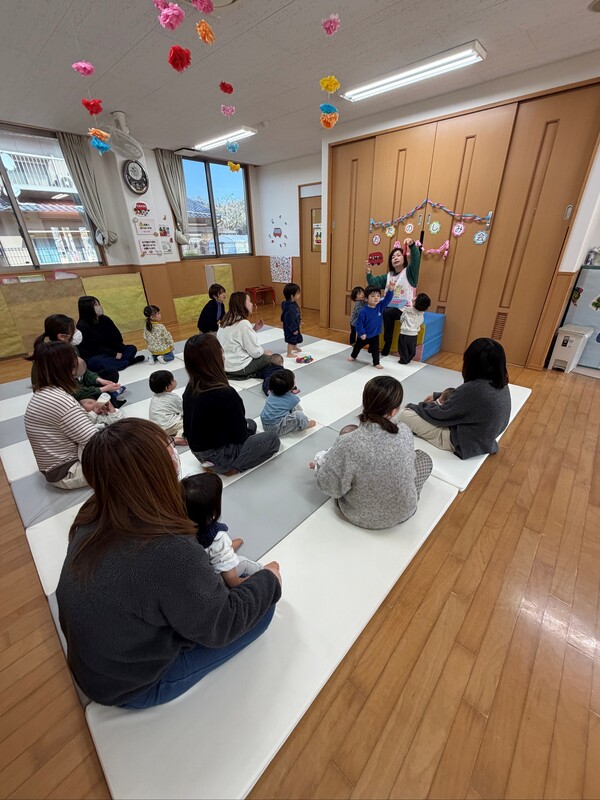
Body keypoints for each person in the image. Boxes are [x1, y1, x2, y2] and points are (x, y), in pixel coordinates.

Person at [56, 418, 282, 709]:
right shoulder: (171, 550)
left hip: (97, 663)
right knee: (263, 609)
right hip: (131, 685)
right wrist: (270, 579)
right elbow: (222, 624)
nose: (174, 451)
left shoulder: (94, 510)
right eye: (166, 446)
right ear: (156, 468)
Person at [316, 376, 432, 529]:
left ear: (365, 403)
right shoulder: (404, 431)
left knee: (338, 471)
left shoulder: (348, 442)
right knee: (424, 458)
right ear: (394, 410)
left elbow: (331, 488)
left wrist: (323, 466)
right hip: (403, 512)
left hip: (358, 515)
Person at [398, 338, 511, 459]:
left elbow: (440, 415)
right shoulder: (501, 383)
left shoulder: (474, 389)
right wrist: (438, 396)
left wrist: (417, 407)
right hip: (484, 438)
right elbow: (464, 399)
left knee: (404, 414)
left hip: (462, 441)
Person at [183, 333, 280, 475]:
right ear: (215, 358)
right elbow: (240, 435)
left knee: (251, 424)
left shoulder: (191, 387)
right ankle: (232, 468)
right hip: (220, 455)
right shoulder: (225, 393)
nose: (223, 354)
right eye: (221, 351)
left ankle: (217, 464)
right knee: (273, 439)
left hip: (199, 453)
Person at [24, 341, 107, 490]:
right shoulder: (61, 401)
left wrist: (93, 412)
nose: (78, 361)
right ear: (64, 367)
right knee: (129, 457)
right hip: (68, 471)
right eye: (73, 358)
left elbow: (74, 427)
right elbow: (94, 441)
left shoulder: (44, 393)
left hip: (56, 468)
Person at [182, 473, 262, 588]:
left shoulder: (180, 528)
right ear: (213, 511)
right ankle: (266, 571)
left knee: (220, 552)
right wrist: (238, 583)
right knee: (244, 563)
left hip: (195, 570)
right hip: (211, 581)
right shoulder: (217, 537)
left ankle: (225, 552)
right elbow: (229, 575)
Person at [27, 314, 125, 407]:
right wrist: (102, 389)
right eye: (74, 330)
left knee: (110, 374)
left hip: (77, 386)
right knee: (89, 404)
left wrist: (100, 380)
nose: (78, 332)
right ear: (61, 337)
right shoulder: (53, 357)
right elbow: (71, 390)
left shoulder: (71, 347)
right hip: (66, 395)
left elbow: (83, 372)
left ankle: (104, 399)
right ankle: (105, 401)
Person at [366, 239, 422, 357]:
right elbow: (373, 283)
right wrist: (369, 272)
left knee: (388, 313)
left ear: (404, 258)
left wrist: (412, 245)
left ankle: (388, 343)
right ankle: (373, 342)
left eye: (398, 255)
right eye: (393, 257)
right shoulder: (388, 276)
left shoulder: (410, 272)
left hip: (404, 309)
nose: (395, 258)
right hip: (389, 305)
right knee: (374, 310)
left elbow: (416, 259)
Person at [77, 295, 145, 373]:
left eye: (98, 304)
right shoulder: (82, 326)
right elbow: (93, 349)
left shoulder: (105, 319)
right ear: (87, 308)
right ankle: (127, 362)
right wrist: (114, 354)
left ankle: (118, 363)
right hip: (97, 355)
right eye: (95, 305)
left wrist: (118, 350)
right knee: (95, 362)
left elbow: (117, 338)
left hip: (113, 351)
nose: (99, 307)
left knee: (132, 348)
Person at [217, 292, 273, 379]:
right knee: (271, 357)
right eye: (249, 301)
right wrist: (264, 352)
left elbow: (236, 338)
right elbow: (255, 353)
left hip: (224, 366)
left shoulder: (225, 321)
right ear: (242, 304)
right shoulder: (243, 323)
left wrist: (254, 329)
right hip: (239, 367)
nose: (252, 304)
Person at [347, 282, 396, 369]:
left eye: (378, 295)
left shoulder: (380, 306)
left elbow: (387, 299)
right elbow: (359, 323)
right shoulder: (363, 311)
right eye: (373, 296)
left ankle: (376, 363)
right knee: (357, 347)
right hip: (365, 335)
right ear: (366, 299)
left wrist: (391, 290)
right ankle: (353, 356)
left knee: (375, 350)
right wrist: (361, 333)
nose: (376, 298)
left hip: (375, 335)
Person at [260, 369, 316, 435]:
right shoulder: (293, 399)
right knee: (299, 415)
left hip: (264, 424)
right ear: (291, 385)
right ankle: (306, 424)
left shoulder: (271, 392)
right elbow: (300, 412)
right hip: (276, 428)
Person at [149, 370, 187, 446]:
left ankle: (163, 436)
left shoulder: (154, 397)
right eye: (172, 379)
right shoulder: (173, 398)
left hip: (157, 427)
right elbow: (184, 410)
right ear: (167, 387)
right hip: (168, 425)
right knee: (186, 424)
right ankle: (177, 438)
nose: (175, 380)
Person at [398, 292, 431, 364]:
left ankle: (403, 360)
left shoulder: (407, 310)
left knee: (403, 347)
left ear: (415, 302)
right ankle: (407, 359)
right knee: (411, 348)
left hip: (404, 333)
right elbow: (421, 322)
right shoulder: (421, 314)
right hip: (414, 335)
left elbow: (402, 319)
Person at [281, 282, 303, 357]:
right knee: (291, 338)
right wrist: (293, 329)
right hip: (290, 326)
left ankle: (294, 347)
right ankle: (289, 353)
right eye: (298, 293)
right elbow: (289, 319)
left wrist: (299, 320)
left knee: (296, 337)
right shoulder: (290, 308)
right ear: (292, 296)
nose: (299, 294)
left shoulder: (292, 303)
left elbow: (296, 313)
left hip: (295, 324)